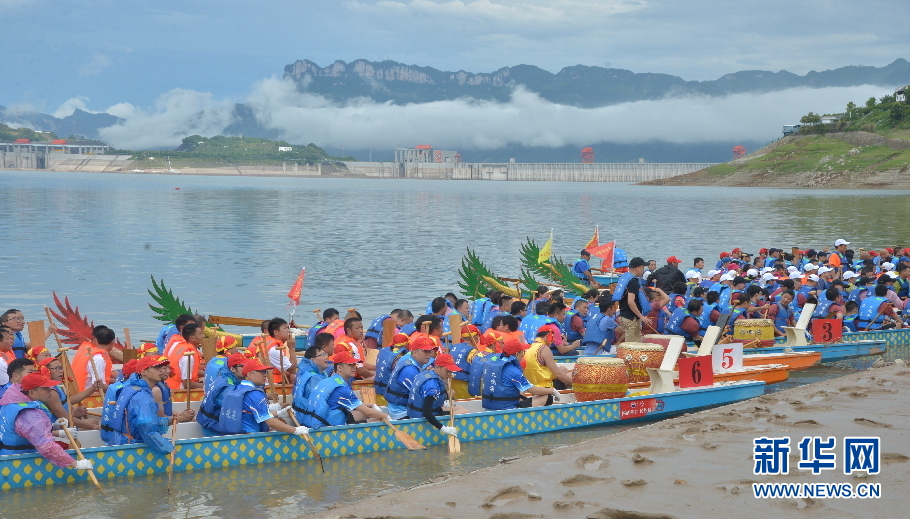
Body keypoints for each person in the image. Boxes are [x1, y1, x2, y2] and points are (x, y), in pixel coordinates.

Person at [0, 371, 92, 472]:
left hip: (6, 458)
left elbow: (24, 430)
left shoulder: (12, 402)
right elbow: (47, 447)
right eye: (45, 389)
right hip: (19, 464)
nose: (50, 391)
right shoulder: (29, 414)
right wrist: (76, 464)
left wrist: (52, 426)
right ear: (32, 392)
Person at [215, 358, 310, 436]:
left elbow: (252, 413)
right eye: (261, 372)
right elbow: (271, 422)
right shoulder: (254, 394)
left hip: (233, 437)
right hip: (249, 439)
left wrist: (279, 413)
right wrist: (296, 430)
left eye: (265, 371)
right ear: (249, 374)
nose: (265, 375)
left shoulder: (237, 388)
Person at [301, 352, 388, 428]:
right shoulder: (342, 389)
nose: (354, 367)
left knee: (362, 413)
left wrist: (372, 404)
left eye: (354, 364)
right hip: (327, 427)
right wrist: (387, 417)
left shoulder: (330, 380)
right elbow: (368, 412)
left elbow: (357, 405)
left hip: (317, 421)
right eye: (350, 365)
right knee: (380, 421)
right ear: (339, 368)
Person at [480, 338, 560, 410]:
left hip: (489, 407)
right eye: (523, 352)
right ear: (517, 354)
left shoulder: (495, 362)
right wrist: (553, 390)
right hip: (507, 409)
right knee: (547, 397)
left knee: (521, 392)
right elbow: (534, 390)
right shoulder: (513, 371)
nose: (523, 355)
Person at [405, 353, 467, 439]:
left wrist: (445, 401)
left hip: (420, 412)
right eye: (447, 371)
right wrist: (443, 428)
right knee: (464, 411)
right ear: (437, 367)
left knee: (459, 408)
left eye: (451, 371)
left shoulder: (428, 373)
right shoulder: (432, 386)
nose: (449, 374)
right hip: (421, 418)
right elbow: (426, 413)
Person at [384, 336, 438, 420]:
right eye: (425, 351)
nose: (429, 354)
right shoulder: (409, 370)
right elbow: (422, 395)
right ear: (415, 352)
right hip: (402, 413)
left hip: (401, 408)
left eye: (430, 351)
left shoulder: (409, 361)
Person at [196, 353, 247, 436]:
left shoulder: (226, 377)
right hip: (213, 429)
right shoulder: (226, 387)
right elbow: (237, 407)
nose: (247, 368)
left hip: (215, 423)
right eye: (242, 366)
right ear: (233, 369)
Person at [615, 257, 652, 343]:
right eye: (643, 268)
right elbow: (630, 301)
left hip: (624, 315)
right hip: (631, 318)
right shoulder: (633, 281)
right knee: (632, 346)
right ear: (637, 267)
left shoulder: (626, 277)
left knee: (637, 343)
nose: (643, 270)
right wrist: (641, 316)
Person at [290, 345, 329, 424]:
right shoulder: (313, 379)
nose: (326, 357)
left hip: (304, 417)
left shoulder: (304, 373)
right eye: (322, 355)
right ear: (313, 360)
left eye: (326, 354)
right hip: (312, 421)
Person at [71, 325, 115, 391]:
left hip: (77, 391)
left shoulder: (87, 349)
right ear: (112, 342)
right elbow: (99, 387)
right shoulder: (98, 359)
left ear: (96, 340)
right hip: (87, 397)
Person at [165, 322, 203, 390]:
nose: (203, 336)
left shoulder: (180, 345)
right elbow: (187, 385)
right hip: (177, 389)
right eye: (200, 334)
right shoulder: (188, 356)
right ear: (192, 338)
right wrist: (210, 385)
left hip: (169, 384)